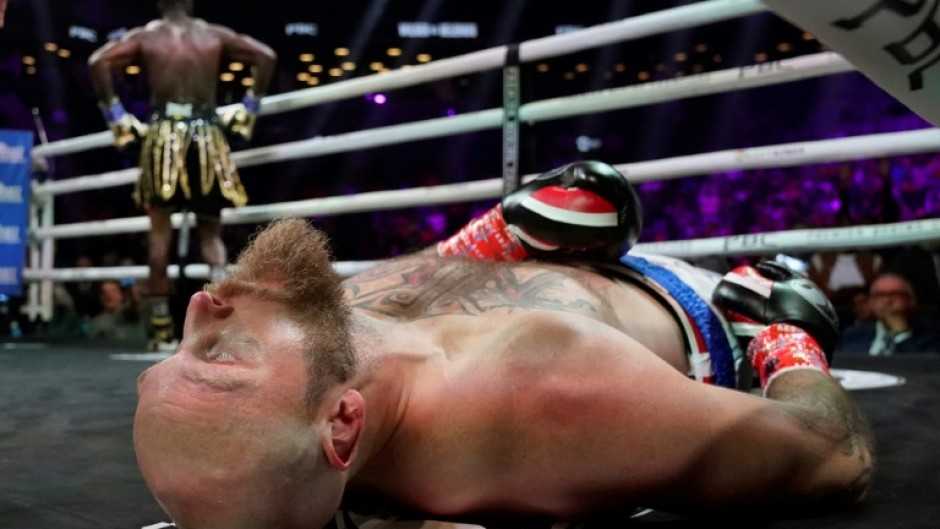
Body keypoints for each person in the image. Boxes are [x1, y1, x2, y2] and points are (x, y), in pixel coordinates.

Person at [134, 161, 873, 529]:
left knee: (374, 295)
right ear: (343, 424)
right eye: (221, 354)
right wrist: (789, 347)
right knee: (777, 300)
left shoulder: (321, 336)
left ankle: (503, 237)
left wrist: (497, 245)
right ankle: (765, 319)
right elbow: (832, 455)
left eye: (182, 348)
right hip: (682, 302)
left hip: (498, 284)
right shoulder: (548, 395)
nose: (203, 306)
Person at [87, 0, 277, 351]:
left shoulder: (148, 36)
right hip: (207, 137)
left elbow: (97, 62)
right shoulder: (212, 35)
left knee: (160, 236)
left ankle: (161, 331)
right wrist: (249, 109)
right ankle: (224, 324)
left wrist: (116, 116)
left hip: (164, 138)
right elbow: (266, 55)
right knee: (210, 234)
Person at [837, 272, 940, 355]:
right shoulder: (853, 334)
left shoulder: (930, 336)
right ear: (871, 302)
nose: (887, 300)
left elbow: (926, 370)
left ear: (911, 301)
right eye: (880, 295)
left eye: (895, 294)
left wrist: (902, 335)